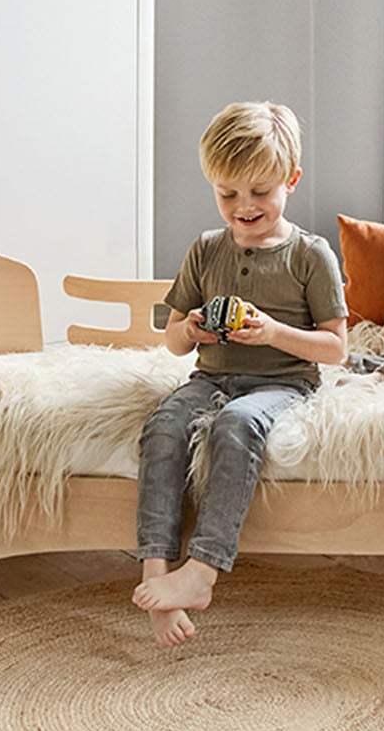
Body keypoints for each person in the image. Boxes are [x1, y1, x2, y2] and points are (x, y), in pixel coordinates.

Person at [132, 101, 347, 646]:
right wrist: (195, 331)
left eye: (260, 192)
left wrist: (274, 332)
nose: (243, 207)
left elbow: (336, 348)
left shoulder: (310, 256)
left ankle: (201, 572)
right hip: (210, 377)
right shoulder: (206, 250)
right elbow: (172, 336)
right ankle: (156, 573)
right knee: (163, 425)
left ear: (290, 181)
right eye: (228, 194)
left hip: (282, 383)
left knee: (236, 425)